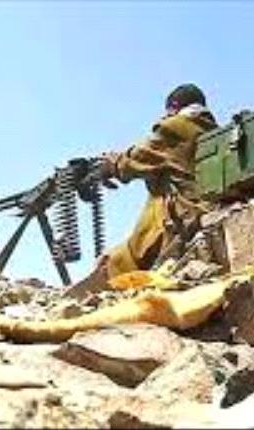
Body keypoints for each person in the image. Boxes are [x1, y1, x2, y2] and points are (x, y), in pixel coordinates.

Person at [66, 84, 217, 297]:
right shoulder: (211, 131)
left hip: (182, 222)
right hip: (202, 212)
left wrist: (108, 164)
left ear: (174, 107)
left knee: (112, 262)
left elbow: (135, 159)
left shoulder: (175, 127)